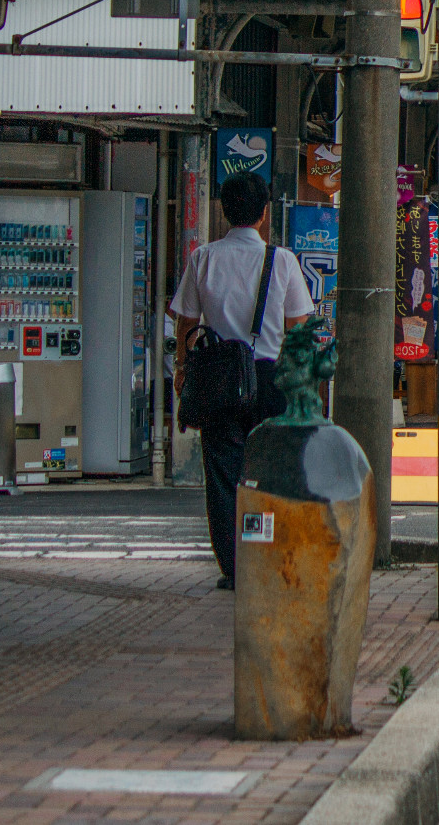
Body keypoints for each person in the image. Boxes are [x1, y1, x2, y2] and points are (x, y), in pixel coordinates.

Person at [170, 174, 314, 590]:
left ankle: (235, 568)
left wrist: (183, 368)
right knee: (273, 472)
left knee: (222, 473)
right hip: (269, 377)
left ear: (223, 211)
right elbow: (298, 326)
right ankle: (271, 558)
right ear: (265, 213)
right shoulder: (281, 260)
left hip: (219, 379)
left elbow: (186, 320)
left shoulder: (204, 258)